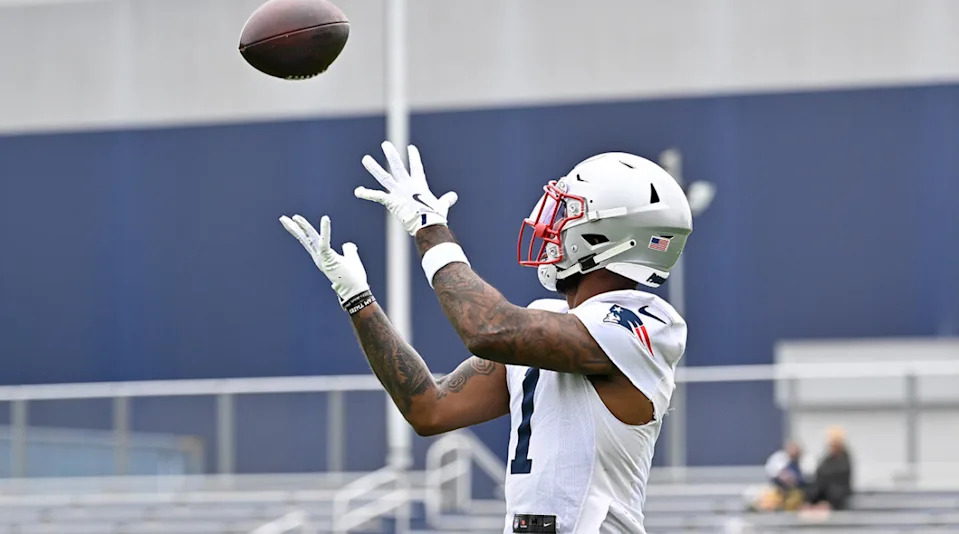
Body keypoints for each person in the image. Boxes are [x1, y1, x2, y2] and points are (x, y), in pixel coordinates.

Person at [280, 142, 693, 533]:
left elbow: (487, 329)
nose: (551, 226)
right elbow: (430, 409)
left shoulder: (644, 324)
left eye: (569, 214)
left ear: (606, 236)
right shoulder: (549, 324)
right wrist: (358, 300)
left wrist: (431, 232)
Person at [804, 426, 853, 511]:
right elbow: (819, 476)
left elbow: (838, 480)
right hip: (822, 493)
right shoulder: (826, 459)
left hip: (836, 496)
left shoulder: (844, 460)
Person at [754, 441, 809, 511]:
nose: (793, 451)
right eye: (791, 448)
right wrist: (782, 477)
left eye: (795, 448)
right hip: (779, 490)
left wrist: (795, 479)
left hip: (799, 492)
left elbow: (807, 480)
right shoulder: (778, 458)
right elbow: (772, 474)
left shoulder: (806, 461)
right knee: (768, 500)